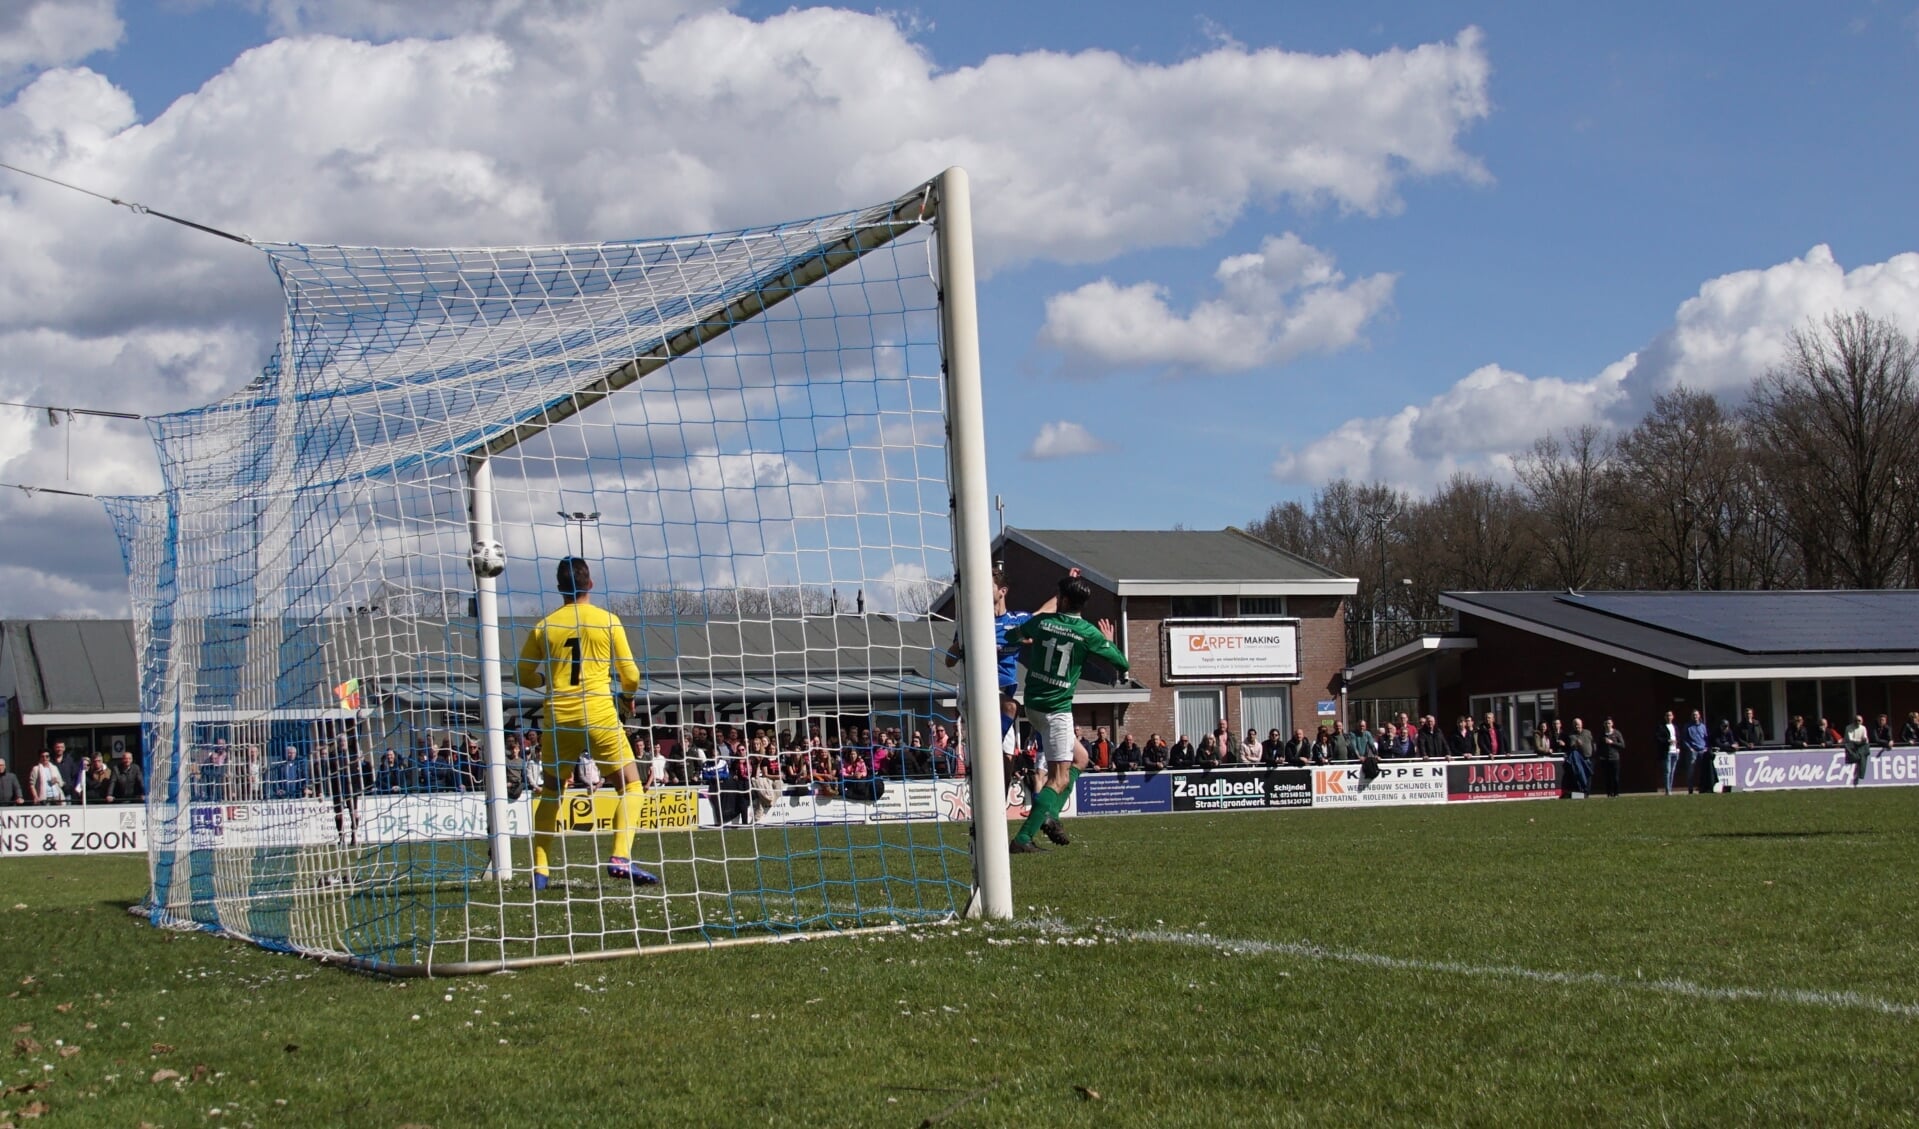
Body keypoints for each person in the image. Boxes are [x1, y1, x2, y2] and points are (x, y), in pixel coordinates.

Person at [516, 557, 657, 889]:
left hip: (559, 717)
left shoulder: (545, 625)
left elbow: (519, 674)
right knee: (631, 785)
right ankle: (620, 855)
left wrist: (544, 680)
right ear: (590, 584)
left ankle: (540, 870)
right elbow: (631, 675)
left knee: (551, 791)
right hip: (598, 714)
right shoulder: (608, 621)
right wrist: (626, 697)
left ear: (559, 588)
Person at [1004, 572, 1129, 853]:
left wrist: (1031, 634)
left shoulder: (1043, 623)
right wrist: (1107, 642)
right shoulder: (1088, 633)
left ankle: (1050, 814)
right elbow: (1122, 663)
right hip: (1057, 711)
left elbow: (1014, 634)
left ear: (1062, 599)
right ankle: (1023, 839)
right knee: (1058, 779)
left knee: (1082, 758)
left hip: (1033, 705)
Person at [1684, 710, 1713, 794]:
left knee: (1703, 770)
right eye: (1693, 715)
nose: (1695, 716)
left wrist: (1706, 748)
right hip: (1693, 751)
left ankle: (1702, 788)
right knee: (1690, 771)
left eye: (1696, 715)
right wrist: (1690, 748)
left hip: (1702, 751)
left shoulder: (1703, 726)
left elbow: (1706, 738)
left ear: (1699, 716)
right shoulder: (1688, 727)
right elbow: (1684, 739)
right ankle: (1690, 789)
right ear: (1691, 717)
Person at [1596, 718, 1625, 797]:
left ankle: (1616, 793)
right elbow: (1598, 746)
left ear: (1612, 724)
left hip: (1615, 758)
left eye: (1609, 723)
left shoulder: (1616, 733)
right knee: (1607, 777)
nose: (1607, 725)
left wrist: (1612, 742)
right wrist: (1600, 755)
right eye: (1606, 723)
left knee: (1615, 777)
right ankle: (1609, 793)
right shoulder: (1602, 735)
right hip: (1605, 759)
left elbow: (1622, 745)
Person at [1843, 715, 1872, 786]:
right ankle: (1857, 757)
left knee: (1863, 754)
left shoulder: (1863, 728)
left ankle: (1861, 775)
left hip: (1860, 745)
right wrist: (1860, 741)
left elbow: (1865, 738)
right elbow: (1850, 740)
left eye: (1859, 720)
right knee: (1858, 755)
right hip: (1851, 745)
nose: (1857, 722)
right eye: (1856, 720)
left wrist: (1862, 740)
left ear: (1862, 721)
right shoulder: (1849, 727)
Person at [1658, 710, 1682, 795]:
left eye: (1670, 715)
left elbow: (1678, 738)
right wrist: (1668, 741)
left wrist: (1678, 747)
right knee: (1667, 771)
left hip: (1675, 751)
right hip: (1667, 751)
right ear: (1665, 717)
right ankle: (1667, 790)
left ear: (1673, 717)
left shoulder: (1675, 727)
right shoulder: (1661, 727)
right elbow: (1658, 738)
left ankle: (1670, 788)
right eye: (1667, 716)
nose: (1669, 717)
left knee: (1672, 771)